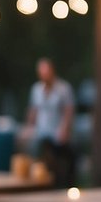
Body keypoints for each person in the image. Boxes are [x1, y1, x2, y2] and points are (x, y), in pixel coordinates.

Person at [21, 58, 75, 187]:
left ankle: (61, 187)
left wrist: (65, 129)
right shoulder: (36, 89)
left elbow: (68, 110)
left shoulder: (63, 88)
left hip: (57, 133)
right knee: (44, 164)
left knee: (61, 165)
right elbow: (33, 110)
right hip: (42, 132)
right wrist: (28, 127)